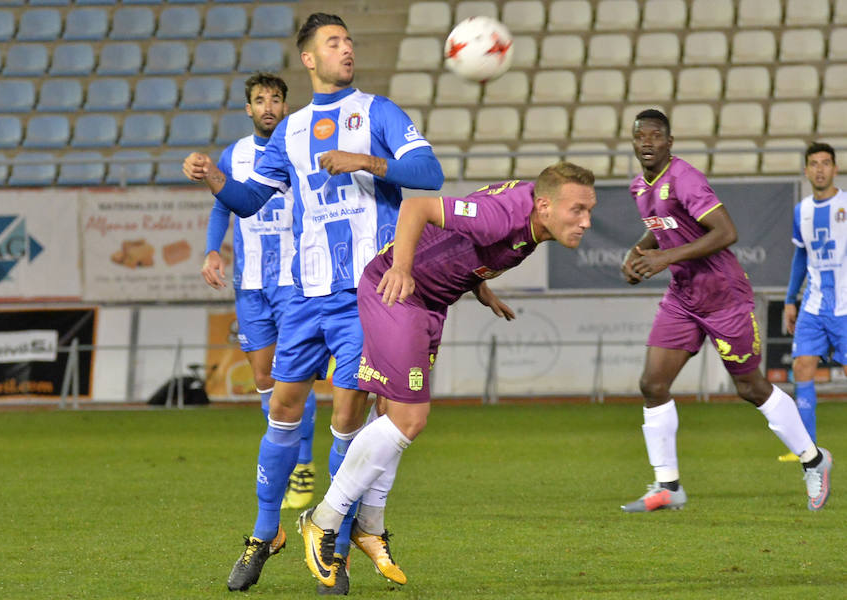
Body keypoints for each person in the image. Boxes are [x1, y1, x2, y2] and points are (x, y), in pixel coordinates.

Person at [182, 13, 444, 595]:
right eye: (334, 42)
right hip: (305, 296)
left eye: (349, 40)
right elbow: (251, 201)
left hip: (364, 295)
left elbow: (430, 171)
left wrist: (367, 161)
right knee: (283, 410)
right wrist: (212, 179)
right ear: (309, 59)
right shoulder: (291, 130)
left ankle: (332, 538)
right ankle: (263, 532)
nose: (346, 49)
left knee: (348, 418)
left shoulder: (378, 112)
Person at [295, 162, 597, 589]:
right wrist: (401, 267)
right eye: (578, 210)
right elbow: (417, 208)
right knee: (409, 419)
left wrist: (478, 285)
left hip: (432, 302)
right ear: (545, 204)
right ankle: (322, 521)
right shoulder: (507, 215)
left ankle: (370, 526)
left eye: (590, 210)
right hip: (395, 291)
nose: (586, 221)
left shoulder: (531, 217)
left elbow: (465, 235)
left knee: (392, 416)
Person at [619, 109, 832, 513]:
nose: (647, 141)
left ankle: (815, 460)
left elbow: (726, 232)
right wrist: (639, 252)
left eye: (655, 135)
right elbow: (661, 225)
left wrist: (667, 258)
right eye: (639, 135)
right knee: (653, 384)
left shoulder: (685, 177)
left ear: (669, 142)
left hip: (723, 296)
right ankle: (668, 485)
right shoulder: (638, 187)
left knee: (750, 388)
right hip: (683, 298)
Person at [201, 73, 317, 510]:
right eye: (259, 100)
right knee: (266, 381)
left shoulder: (301, 148)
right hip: (250, 285)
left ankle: (302, 465)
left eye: (275, 99)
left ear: (286, 106)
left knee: (293, 380)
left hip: (294, 281)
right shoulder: (235, 155)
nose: (268, 106)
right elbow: (222, 204)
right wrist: (213, 251)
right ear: (248, 109)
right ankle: (286, 465)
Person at [779, 142, 846, 462]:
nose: (820, 169)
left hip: (845, 306)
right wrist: (791, 299)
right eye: (814, 164)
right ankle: (807, 449)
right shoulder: (801, 210)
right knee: (802, 367)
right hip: (813, 304)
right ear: (806, 171)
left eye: (826, 163)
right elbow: (801, 255)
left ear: (835, 168)